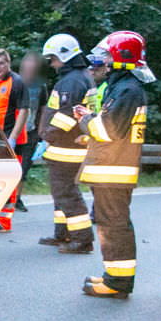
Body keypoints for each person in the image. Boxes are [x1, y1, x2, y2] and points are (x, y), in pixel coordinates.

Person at [74, 31, 153, 299]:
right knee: (111, 225)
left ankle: (118, 283)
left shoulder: (128, 90)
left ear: (121, 58)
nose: (101, 62)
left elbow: (109, 130)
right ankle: (114, 276)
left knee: (114, 226)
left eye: (106, 56)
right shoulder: (123, 88)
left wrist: (86, 119)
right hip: (112, 170)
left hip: (114, 171)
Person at [38, 33, 95, 254]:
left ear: (64, 55)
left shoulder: (71, 81)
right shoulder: (82, 76)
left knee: (66, 194)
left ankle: (82, 239)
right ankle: (63, 233)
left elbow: (65, 115)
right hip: (69, 146)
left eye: (53, 59)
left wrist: (47, 135)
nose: (52, 64)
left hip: (66, 148)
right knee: (60, 193)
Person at [0, 48, 29, 232]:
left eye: (1, 63)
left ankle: (4, 221)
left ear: (8, 63)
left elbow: (24, 111)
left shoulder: (17, 82)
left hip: (12, 140)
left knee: (8, 180)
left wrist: (11, 138)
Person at [15, 52, 48, 212]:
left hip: (31, 132)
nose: (29, 70)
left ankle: (17, 199)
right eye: (27, 66)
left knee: (24, 167)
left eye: (33, 67)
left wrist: (41, 129)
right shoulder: (13, 82)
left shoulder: (40, 86)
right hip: (12, 132)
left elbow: (43, 108)